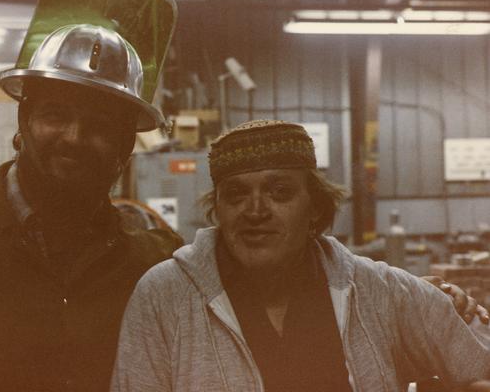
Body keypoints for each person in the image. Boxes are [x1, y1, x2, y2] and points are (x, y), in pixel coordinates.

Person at [0, 24, 182, 391]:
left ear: (124, 146)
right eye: (56, 115)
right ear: (24, 122)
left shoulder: (154, 268)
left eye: (99, 124)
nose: (74, 138)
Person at [111, 119, 490, 392]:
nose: (255, 211)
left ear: (314, 209)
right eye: (236, 195)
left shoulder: (378, 291)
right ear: (218, 210)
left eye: (279, 192)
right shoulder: (165, 297)